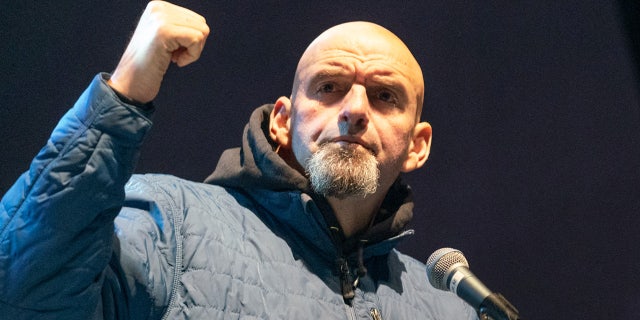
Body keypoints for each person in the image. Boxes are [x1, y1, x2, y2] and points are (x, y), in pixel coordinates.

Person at [0, 1, 477, 319]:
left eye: (384, 95)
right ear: (282, 122)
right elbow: (24, 296)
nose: (354, 110)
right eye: (329, 87)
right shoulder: (172, 223)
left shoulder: (448, 303)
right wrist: (123, 93)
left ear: (418, 145)